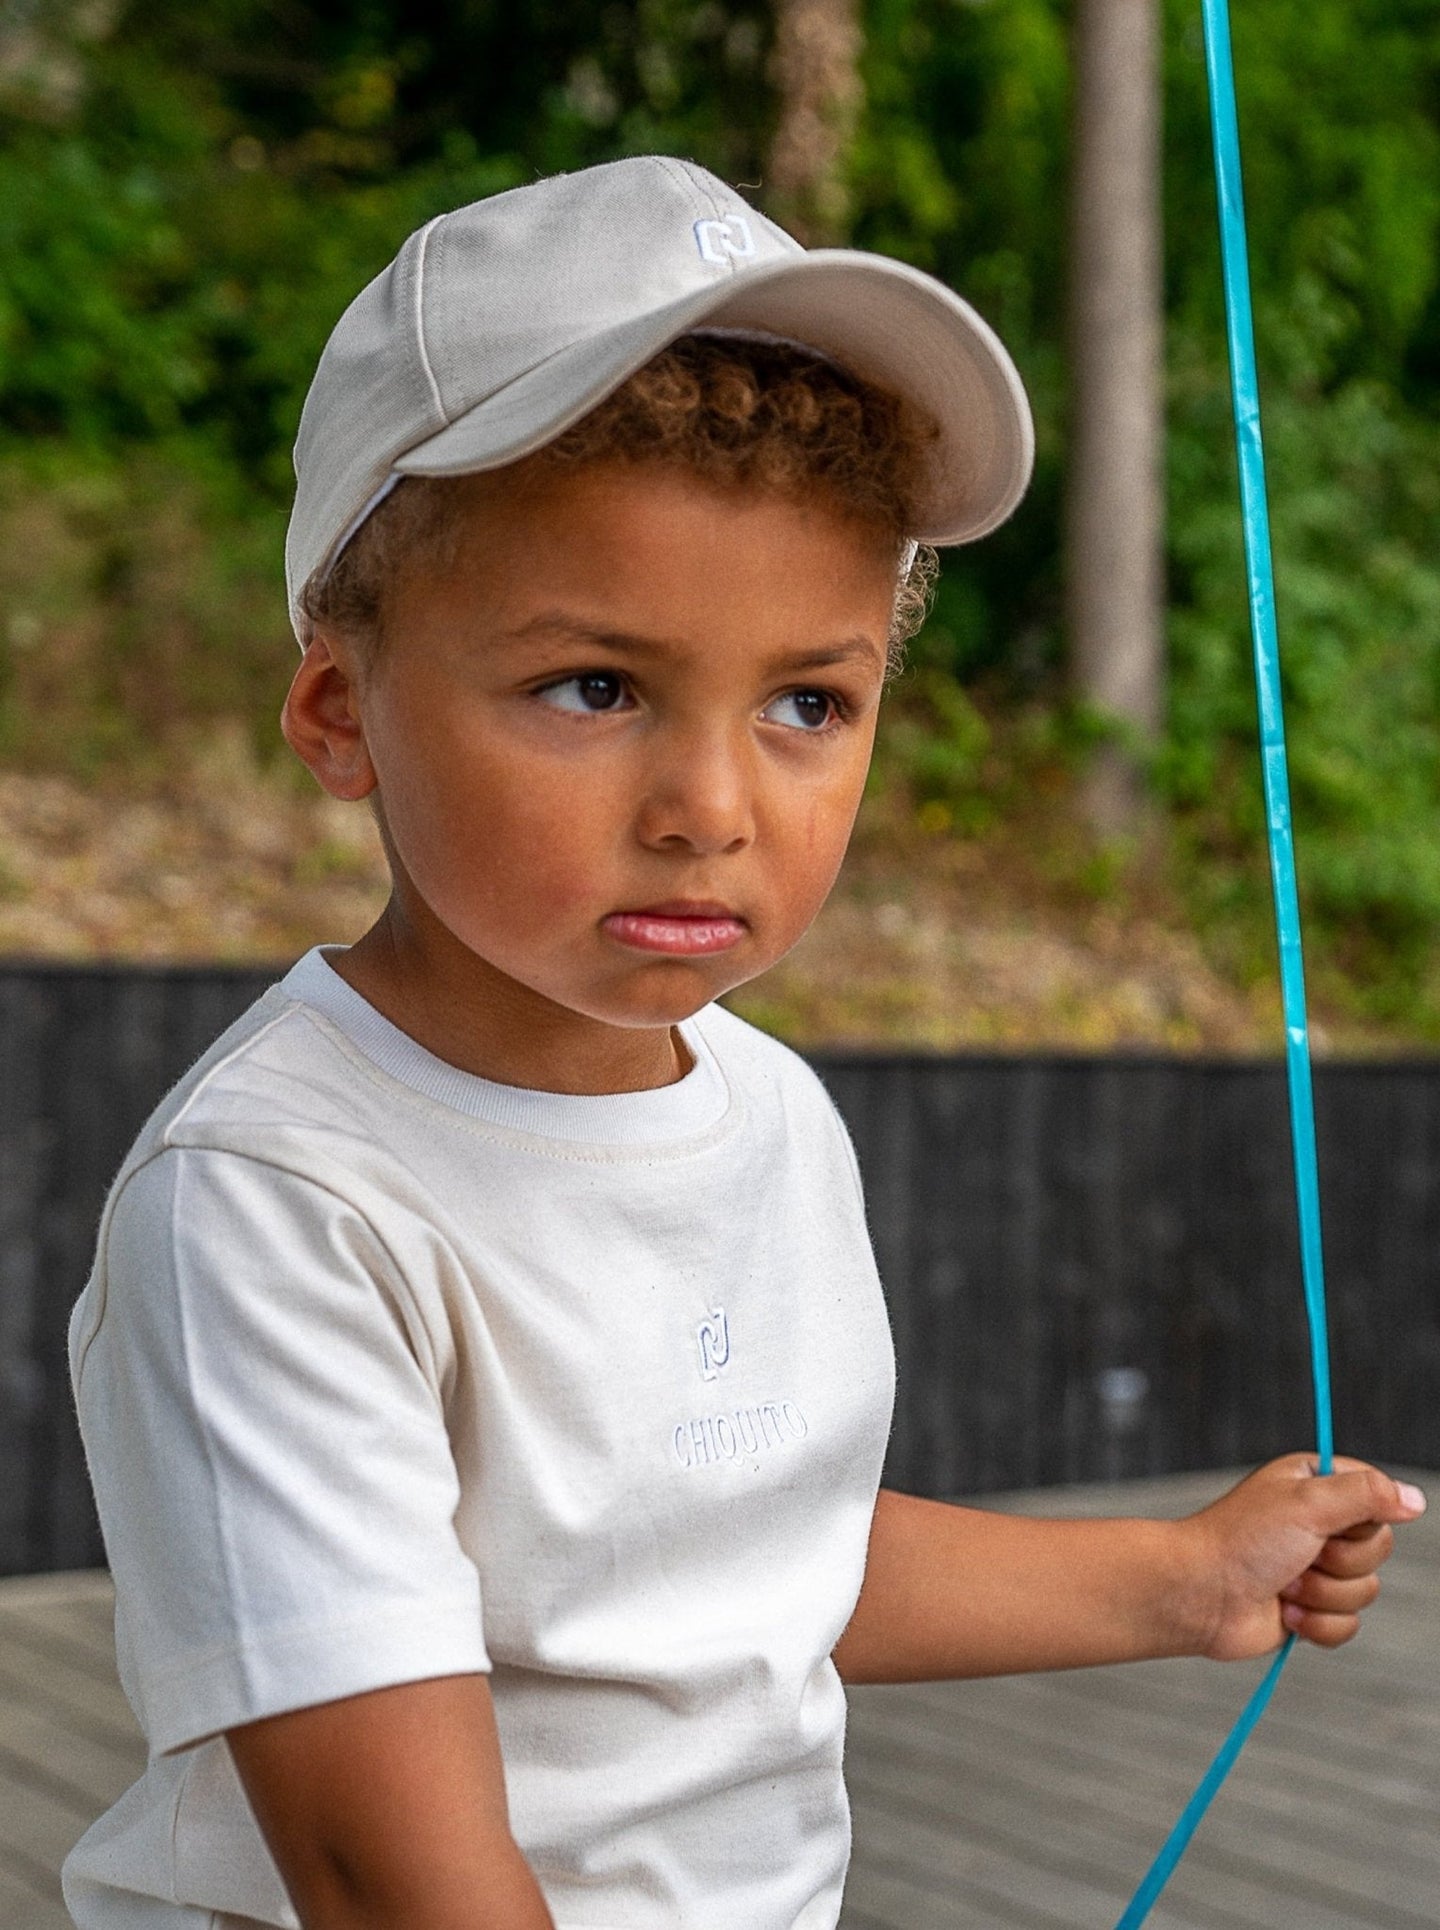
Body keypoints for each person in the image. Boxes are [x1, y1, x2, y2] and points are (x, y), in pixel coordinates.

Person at [64, 156, 1424, 1930]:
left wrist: (1176, 1577)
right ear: (344, 710)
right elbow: (382, 1877)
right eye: (596, 687)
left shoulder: (768, 1110)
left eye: (808, 701)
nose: (711, 807)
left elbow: (734, 1561)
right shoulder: (274, 1200)